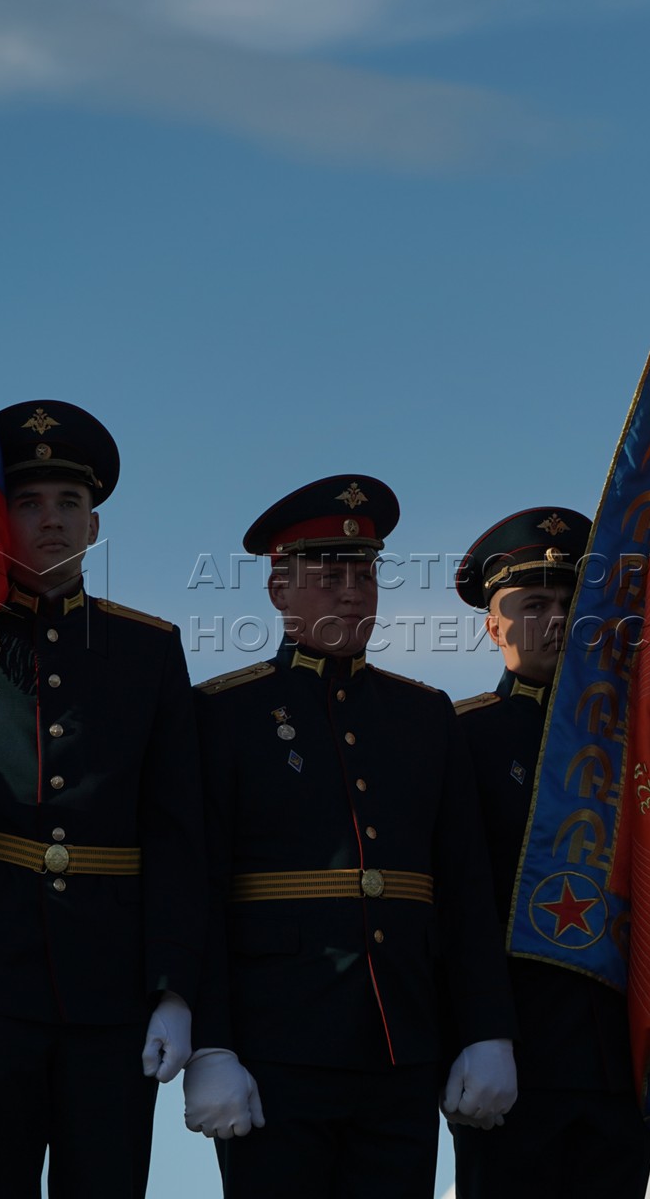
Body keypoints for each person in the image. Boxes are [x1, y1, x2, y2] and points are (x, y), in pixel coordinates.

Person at [0, 401, 206, 1198]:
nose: (52, 521)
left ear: (95, 526)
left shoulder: (148, 649)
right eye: (29, 503)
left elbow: (175, 834)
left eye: (70, 503)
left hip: (111, 992)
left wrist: (174, 987)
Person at [188, 474, 518, 1198]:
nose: (351, 591)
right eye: (328, 574)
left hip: (402, 1040)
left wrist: (485, 1029)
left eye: (364, 573)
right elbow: (199, 891)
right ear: (278, 590)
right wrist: (210, 1044)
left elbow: (463, 886)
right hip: (276, 1045)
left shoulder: (424, 715)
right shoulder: (223, 715)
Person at [447, 506, 650, 1196]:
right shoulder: (459, 740)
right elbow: (456, 904)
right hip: (511, 1052)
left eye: (571, 602)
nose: (557, 619)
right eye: (533, 604)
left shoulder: (635, 743)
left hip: (616, 1055)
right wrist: (474, 1034)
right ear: (493, 624)